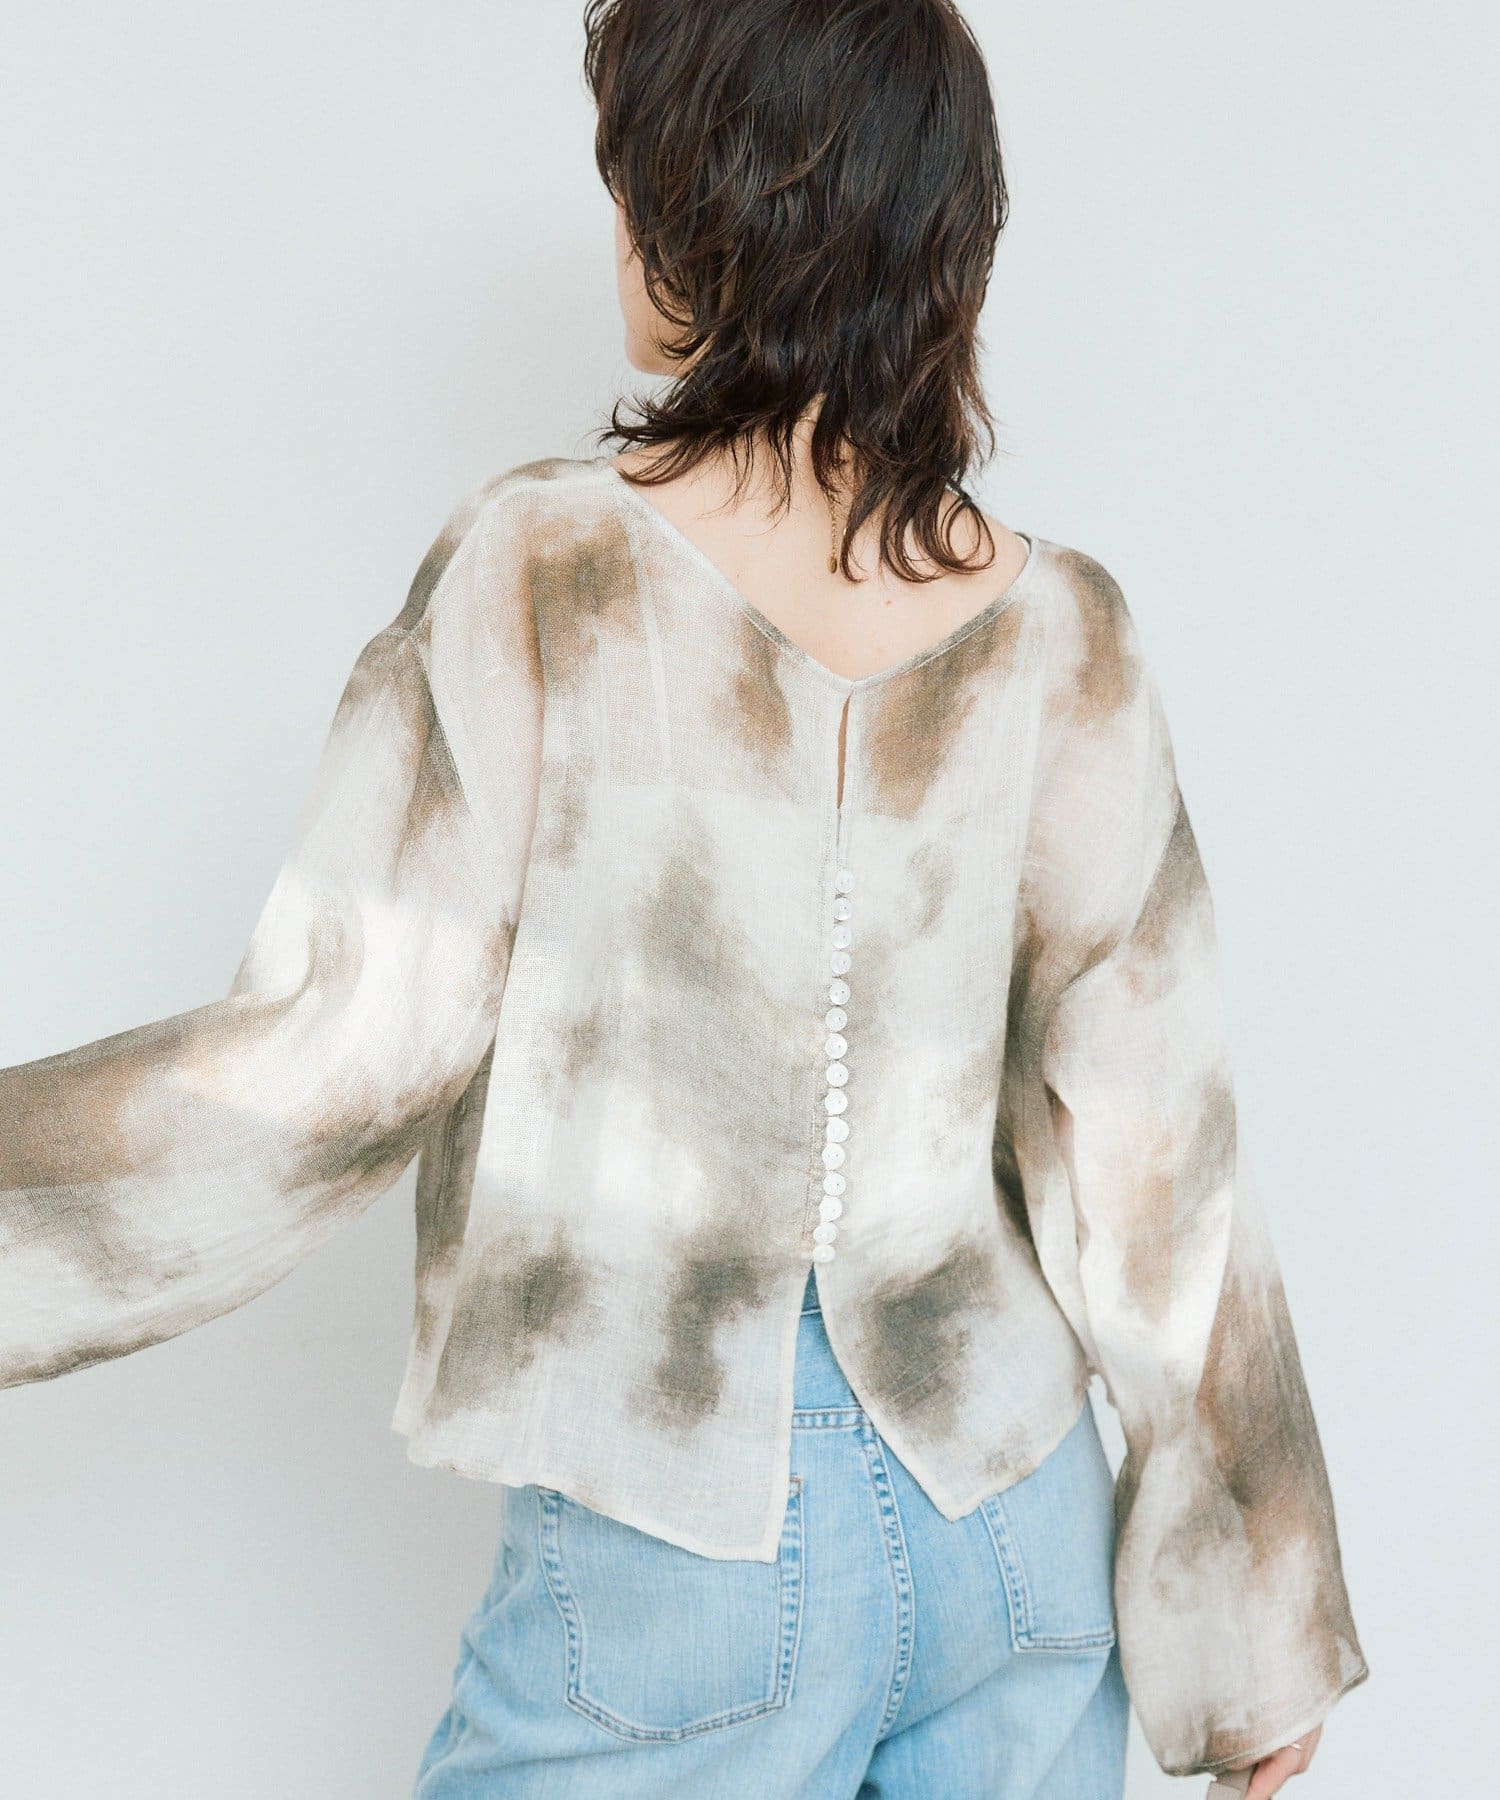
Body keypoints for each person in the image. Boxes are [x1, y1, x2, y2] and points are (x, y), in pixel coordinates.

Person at [0, 1, 1367, 1795]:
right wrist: (1257, 1620)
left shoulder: (539, 571)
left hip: (687, 1542)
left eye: (633, 181)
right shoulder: (1062, 630)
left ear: (702, 215)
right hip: (1018, 1522)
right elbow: (1158, 1157)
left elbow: (327, 1064)